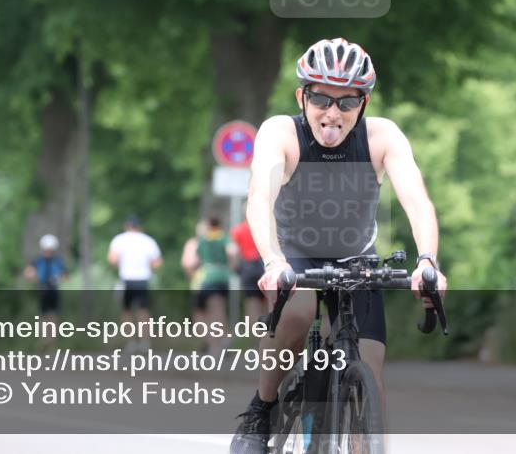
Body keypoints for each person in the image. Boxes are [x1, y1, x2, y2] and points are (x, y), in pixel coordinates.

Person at [230, 38, 447, 454]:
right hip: (295, 253)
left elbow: (417, 201)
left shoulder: (383, 137)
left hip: (356, 260)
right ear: (301, 96)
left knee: (371, 370)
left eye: (347, 102)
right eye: (321, 99)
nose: (332, 113)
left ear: (363, 104)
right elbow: (260, 197)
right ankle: (262, 408)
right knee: (299, 309)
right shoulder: (281, 132)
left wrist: (427, 261)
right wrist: (273, 261)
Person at [108, 216, 163, 353]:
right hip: (143, 279)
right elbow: (157, 263)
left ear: (127, 226)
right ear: (139, 227)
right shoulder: (148, 241)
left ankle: (131, 342)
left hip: (126, 278)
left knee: (126, 311)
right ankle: (145, 342)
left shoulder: (120, 239)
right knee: (143, 311)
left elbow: (112, 259)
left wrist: (122, 264)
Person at [183, 216, 236, 354]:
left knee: (208, 312)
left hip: (207, 277)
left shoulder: (202, 240)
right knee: (219, 309)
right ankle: (224, 339)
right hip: (223, 276)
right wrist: (231, 266)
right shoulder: (224, 237)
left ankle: (214, 344)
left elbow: (191, 261)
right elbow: (233, 252)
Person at [231, 216, 267, 326]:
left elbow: (234, 251)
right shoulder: (264, 227)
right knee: (268, 302)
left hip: (247, 267)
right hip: (264, 265)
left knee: (252, 303)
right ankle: (269, 336)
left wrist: (235, 267)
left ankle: (257, 338)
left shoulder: (238, 230)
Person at [24, 234, 67, 324]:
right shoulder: (38, 260)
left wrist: (59, 278)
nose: (48, 251)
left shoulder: (58, 261)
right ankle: (43, 335)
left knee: (54, 314)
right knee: (43, 314)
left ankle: (52, 336)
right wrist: (32, 275)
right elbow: (28, 273)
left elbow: (65, 275)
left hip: (54, 289)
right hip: (42, 289)